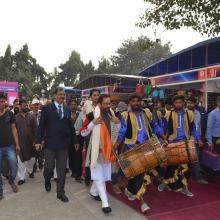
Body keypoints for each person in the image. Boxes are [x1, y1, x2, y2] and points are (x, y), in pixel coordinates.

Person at [114, 93, 166, 213]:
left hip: (147, 148)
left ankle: (130, 191)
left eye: (138, 101)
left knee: (143, 175)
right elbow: (122, 131)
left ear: (141, 102)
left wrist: (163, 136)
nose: (136, 103)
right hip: (131, 149)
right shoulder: (125, 115)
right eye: (133, 101)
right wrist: (117, 143)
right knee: (139, 175)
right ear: (129, 103)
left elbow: (155, 126)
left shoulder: (147, 113)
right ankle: (142, 203)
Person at [35, 87, 78, 202]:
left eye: (63, 95)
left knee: (61, 169)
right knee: (48, 167)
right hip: (50, 145)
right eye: (60, 94)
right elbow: (41, 126)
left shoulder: (67, 109)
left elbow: (70, 127)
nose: (62, 96)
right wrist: (38, 141)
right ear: (54, 96)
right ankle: (47, 180)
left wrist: (75, 141)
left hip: (63, 145)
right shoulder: (46, 108)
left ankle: (60, 192)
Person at [81, 94, 120, 214]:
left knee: (102, 176)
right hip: (96, 151)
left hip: (108, 152)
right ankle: (105, 204)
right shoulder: (91, 115)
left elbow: (116, 132)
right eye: (106, 104)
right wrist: (93, 123)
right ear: (99, 104)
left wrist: (117, 123)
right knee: (100, 179)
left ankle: (93, 192)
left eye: (110, 103)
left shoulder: (112, 114)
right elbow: (83, 132)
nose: (108, 106)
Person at [158, 95, 200, 197]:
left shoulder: (189, 114)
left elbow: (193, 128)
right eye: (176, 103)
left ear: (183, 103)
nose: (178, 104)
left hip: (185, 143)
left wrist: (196, 138)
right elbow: (162, 128)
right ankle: (164, 182)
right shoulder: (168, 114)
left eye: (180, 102)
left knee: (185, 168)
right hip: (172, 143)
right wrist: (163, 139)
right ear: (173, 104)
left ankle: (185, 188)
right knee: (170, 166)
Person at [0, 93, 20, 200]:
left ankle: (11, 180)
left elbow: (14, 129)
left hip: (9, 146)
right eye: (1, 101)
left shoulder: (10, 114)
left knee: (14, 166)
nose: (3, 103)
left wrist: (17, 144)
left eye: (4, 101)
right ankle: (0, 190)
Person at [186, 96, 208, 184]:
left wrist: (198, 139)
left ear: (195, 104)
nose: (189, 104)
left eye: (191, 103)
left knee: (195, 158)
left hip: (195, 139)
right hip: (185, 140)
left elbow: (197, 128)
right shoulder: (183, 112)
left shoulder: (197, 113)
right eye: (188, 102)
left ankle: (197, 176)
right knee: (187, 159)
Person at [16, 99, 37, 185]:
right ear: (20, 106)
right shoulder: (15, 117)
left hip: (31, 142)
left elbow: (36, 129)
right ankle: (21, 178)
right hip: (20, 142)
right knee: (21, 160)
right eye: (24, 105)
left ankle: (30, 170)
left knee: (32, 159)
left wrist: (36, 140)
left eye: (26, 105)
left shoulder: (32, 116)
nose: (26, 107)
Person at [82, 89, 100, 186]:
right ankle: (88, 177)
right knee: (89, 156)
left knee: (98, 156)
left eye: (98, 95)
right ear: (91, 97)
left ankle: (96, 178)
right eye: (94, 95)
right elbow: (84, 117)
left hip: (101, 134)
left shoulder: (102, 106)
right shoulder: (87, 105)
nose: (96, 97)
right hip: (89, 132)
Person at [68, 99, 84, 182]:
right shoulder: (67, 115)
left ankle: (79, 174)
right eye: (72, 104)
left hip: (79, 137)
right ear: (69, 106)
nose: (73, 106)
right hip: (70, 137)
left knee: (78, 155)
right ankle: (73, 170)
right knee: (71, 155)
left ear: (77, 105)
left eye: (75, 104)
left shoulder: (81, 114)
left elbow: (85, 125)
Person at [30, 98, 44, 171]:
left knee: (40, 150)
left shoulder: (42, 112)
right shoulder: (29, 114)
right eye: (35, 105)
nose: (36, 106)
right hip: (33, 134)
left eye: (37, 105)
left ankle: (40, 162)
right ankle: (34, 165)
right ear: (32, 105)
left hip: (40, 133)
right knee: (33, 151)